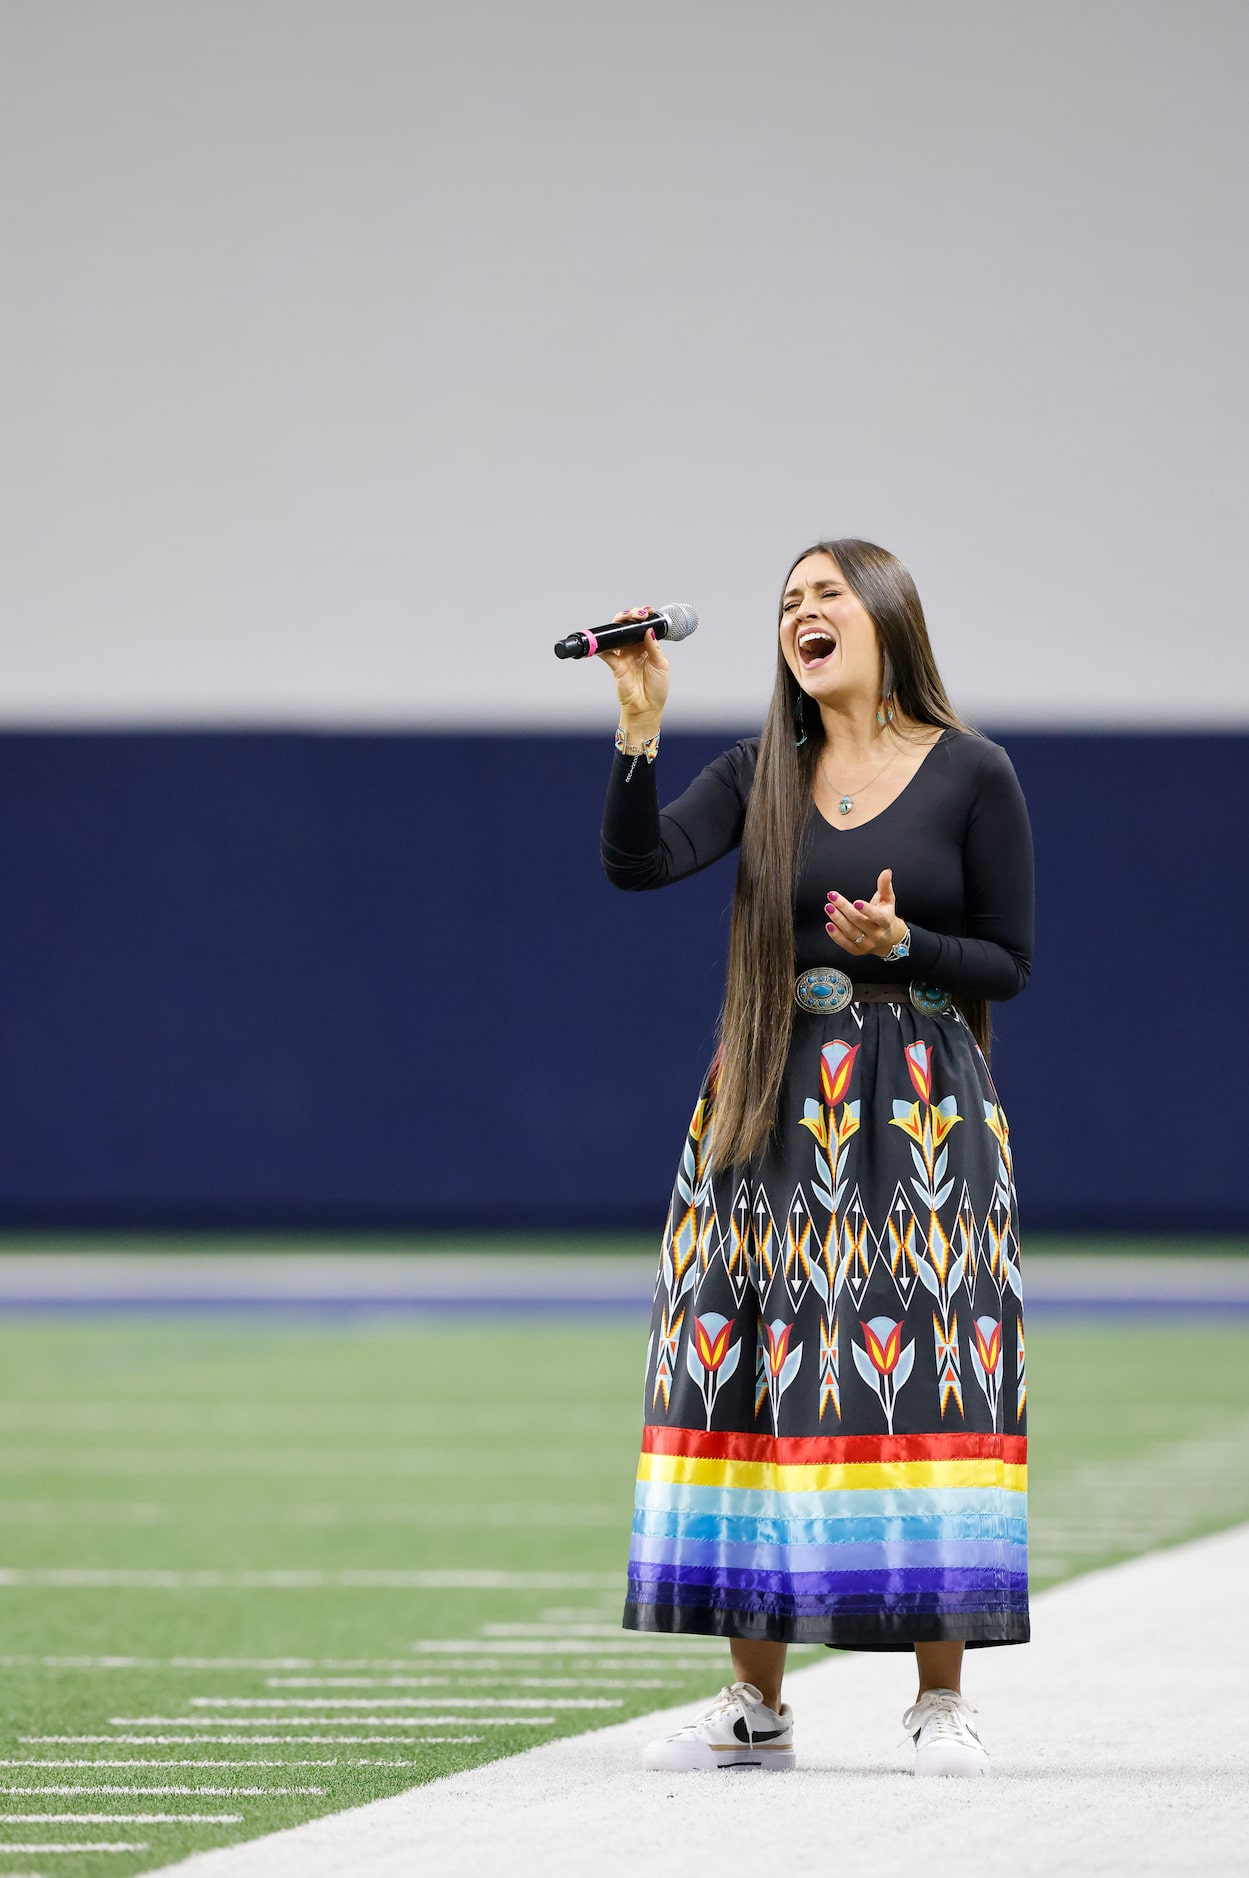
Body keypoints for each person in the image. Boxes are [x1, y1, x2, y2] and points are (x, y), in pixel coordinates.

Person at [597, 539, 1033, 1777]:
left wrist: (909, 944)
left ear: (886, 615)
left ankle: (938, 1700)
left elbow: (1010, 960)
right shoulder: (759, 774)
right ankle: (755, 1704)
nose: (802, 614)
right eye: (787, 603)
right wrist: (640, 728)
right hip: (766, 1101)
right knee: (749, 1360)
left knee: (924, 1363)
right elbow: (637, 865)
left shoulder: (971, 774)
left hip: (919, 1121)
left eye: (825, 594)